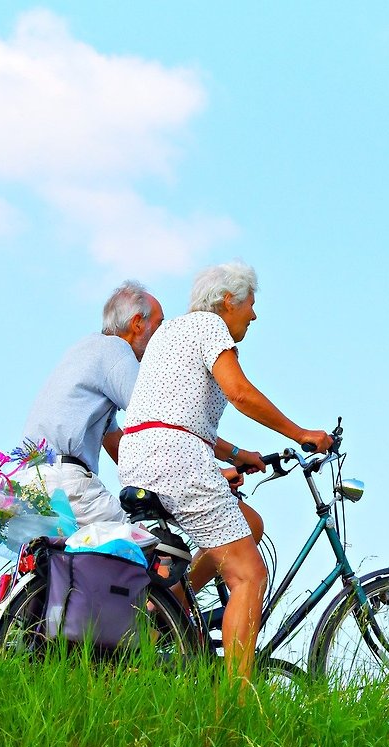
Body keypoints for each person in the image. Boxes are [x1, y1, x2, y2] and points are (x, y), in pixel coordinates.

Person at [117, 260, 332, 682]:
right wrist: (300, 432)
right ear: (228, 301)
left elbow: (171, 413)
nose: (254, 315)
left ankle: (171, 610)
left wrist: (235, 454)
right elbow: (239, 392)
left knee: (248, 523)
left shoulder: (170, 333)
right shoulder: (210, 326)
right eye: (251, 304)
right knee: (249, 574)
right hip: (175, 457)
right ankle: (234, 703)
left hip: (141, 455)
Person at [19, 281, 164, 528]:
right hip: (66, 483)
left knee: (72, 562)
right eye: (159, 325)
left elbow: (115, 441)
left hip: (31, 482)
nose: (162, 336)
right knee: (144, 549)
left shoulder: (86, 349)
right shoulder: (116, 350)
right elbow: (159, 418)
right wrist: (204, 475)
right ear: (137, 322)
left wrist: (160, 482)